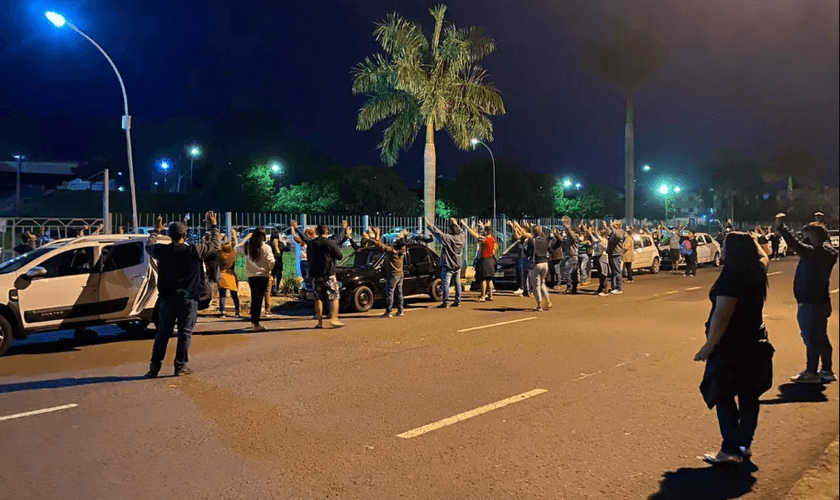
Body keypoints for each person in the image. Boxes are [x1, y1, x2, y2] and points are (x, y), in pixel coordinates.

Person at [695, 231, 773, 465]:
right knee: (749, 397)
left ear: (734, 251)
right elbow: (764, 257)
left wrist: (709, 345)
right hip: (755, 341)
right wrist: (754, 241)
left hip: (731, 345)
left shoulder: (732, 277)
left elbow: (723, 314)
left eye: (726, 245)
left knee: (724, 394)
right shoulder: (757, 270)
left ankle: (730, 448)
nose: (723, 249)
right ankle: (743, 444)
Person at [144, 212, 220, 378]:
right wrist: (213, 226)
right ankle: (180, 367)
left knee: (162, 334)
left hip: (167, 299)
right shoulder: (194, 251)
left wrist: (156, 231)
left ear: (168, 234)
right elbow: (215, 245)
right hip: (188, 299)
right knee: (184, 333)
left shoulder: (161, 251)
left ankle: (154, 368)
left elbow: (148, 245)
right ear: (185, 235)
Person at [777, 214, 839, 383]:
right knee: (821, 337)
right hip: (821, 301)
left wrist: (782, 227)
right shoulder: (829, 252)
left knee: (811, 338)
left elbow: (795, 244)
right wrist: (820, 224)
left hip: (810, 302)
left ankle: (811, 372)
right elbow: (823, 241)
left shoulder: (813, 253)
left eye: (806, 236)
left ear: (813, 237)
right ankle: (826, 369)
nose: (803, 239)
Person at [235, 227, 275, 332]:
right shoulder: (266, 247)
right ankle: (256, 323)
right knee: (259, 299)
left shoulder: (247, 246)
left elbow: (236, 247)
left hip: (251, 276)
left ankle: (254, 322)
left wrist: (245, 239)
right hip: (263, 275)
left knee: (254, 299)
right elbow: (271, 261)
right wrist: (269, 271)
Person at [308, 224, 345, 328]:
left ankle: (319, 322)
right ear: (327, 232)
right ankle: (334, 318)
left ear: (317, 232)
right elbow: (339, 256)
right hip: (329, 273)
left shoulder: (311, 243)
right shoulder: (330, 243)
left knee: (318, 298)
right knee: (334, 296)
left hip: (316, 274)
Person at [364, 229, 408, 317]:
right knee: (399, 293)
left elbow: (380, 245)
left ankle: (388, 311)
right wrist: (403, 236)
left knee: (390, 293)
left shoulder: (392, 251)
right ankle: (400, 310)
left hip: (392, 275)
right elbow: (403, 244)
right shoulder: (402, 250)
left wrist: (370, 239)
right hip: (400, 274)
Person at [425, 217, 466, 308]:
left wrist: (429, 224)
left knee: (445, 283)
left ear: (451, 231)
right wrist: (456, 224)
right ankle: (457, 301)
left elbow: (437, 232)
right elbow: (462, 232)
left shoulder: (448, 238)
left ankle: (446, 302)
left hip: (448, 264)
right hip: (458, 264)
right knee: (457, 283)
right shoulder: (462, 238)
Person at [463, 220, 497, 302]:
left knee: (483, 279)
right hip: (492, 259)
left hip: (484, 260)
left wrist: (466, 226)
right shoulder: (493, 240)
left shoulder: (485, 240)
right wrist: (484, 226)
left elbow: (475, 235)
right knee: (490, 279)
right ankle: (490, 295)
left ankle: (483, 296)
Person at [217, 232, 241, 318]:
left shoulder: (221, 254)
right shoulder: (233, 254)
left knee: (222, 295)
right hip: (231, 274)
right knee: (234, 294)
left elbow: (217, 247)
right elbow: (237, 246)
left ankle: (222, 312)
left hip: (222, 274)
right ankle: (237, 311)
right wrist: (234, 236)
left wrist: (220, 237)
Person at [559, 217, 580, 294]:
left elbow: (573, 236)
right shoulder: (568, 238)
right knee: (573, 273)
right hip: (570, 256)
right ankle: (573, 288)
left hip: (572, 257)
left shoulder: (574, 237)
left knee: (567, 272)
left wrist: (568, 227)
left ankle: (570, 287)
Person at [605, 220, 625, 294]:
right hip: (611, 253)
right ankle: (614, 287)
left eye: (615, 224)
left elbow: (617, 235)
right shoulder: (614, 232)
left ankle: (619, 288)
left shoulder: (621, 232)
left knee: (617, 271)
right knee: (612, 272)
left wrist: (611, 227)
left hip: (617, 254)